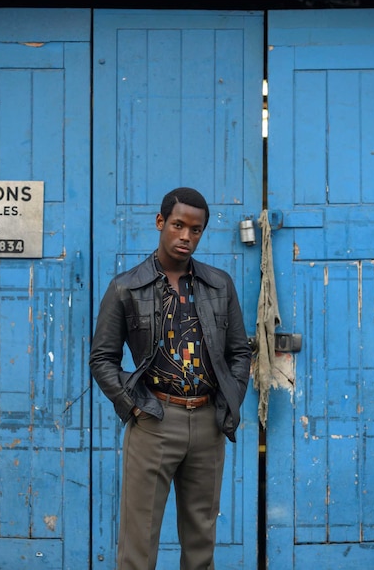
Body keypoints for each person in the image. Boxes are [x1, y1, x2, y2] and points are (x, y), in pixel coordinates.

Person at [89, 187, 252, 569]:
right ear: (161, 222)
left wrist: (231, 397)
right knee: (138, 545)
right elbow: (102, 358)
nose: (186, 237)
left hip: (209, 423)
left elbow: (239, 353)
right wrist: (134, 406)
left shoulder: (219, 284)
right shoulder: (126, 287)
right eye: (178, 225)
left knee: (201, 542)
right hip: (154, 420)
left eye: (196, 230)